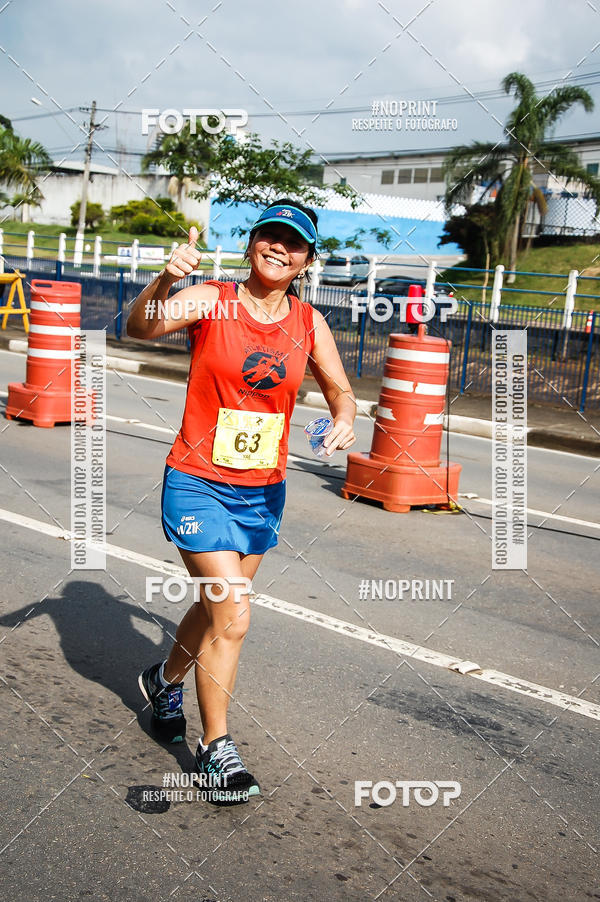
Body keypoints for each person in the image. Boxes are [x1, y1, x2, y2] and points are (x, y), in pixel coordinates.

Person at [126, 198, 356, 803]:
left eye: (294, 243)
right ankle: (215, 749)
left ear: (308, 260)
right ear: (252, 243)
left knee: (213, 610)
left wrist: (344, 418)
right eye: (270, 236)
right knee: (233, 614)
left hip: (261, 492)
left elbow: (342, 392)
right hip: (197, 480)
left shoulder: (308, 323)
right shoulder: (211, 298)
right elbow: (140, 327)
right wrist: (166, 279)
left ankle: (164, 680)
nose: (280, 248)